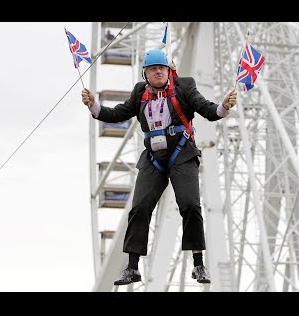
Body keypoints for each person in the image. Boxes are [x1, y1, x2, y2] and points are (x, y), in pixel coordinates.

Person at [81, 49, 237, 286]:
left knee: (190, 205)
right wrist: (94, 106)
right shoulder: (139, 93)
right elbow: (117, 114)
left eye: (162, 68)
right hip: (153, 158)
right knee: (140, 208)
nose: (158, 72)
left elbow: (206, 109)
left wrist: (223, 107)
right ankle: (132, 268)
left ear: (169, 70)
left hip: (182, 154)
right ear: (145, 73)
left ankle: (198, 264)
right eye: (153, 69)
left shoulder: (184, 86)